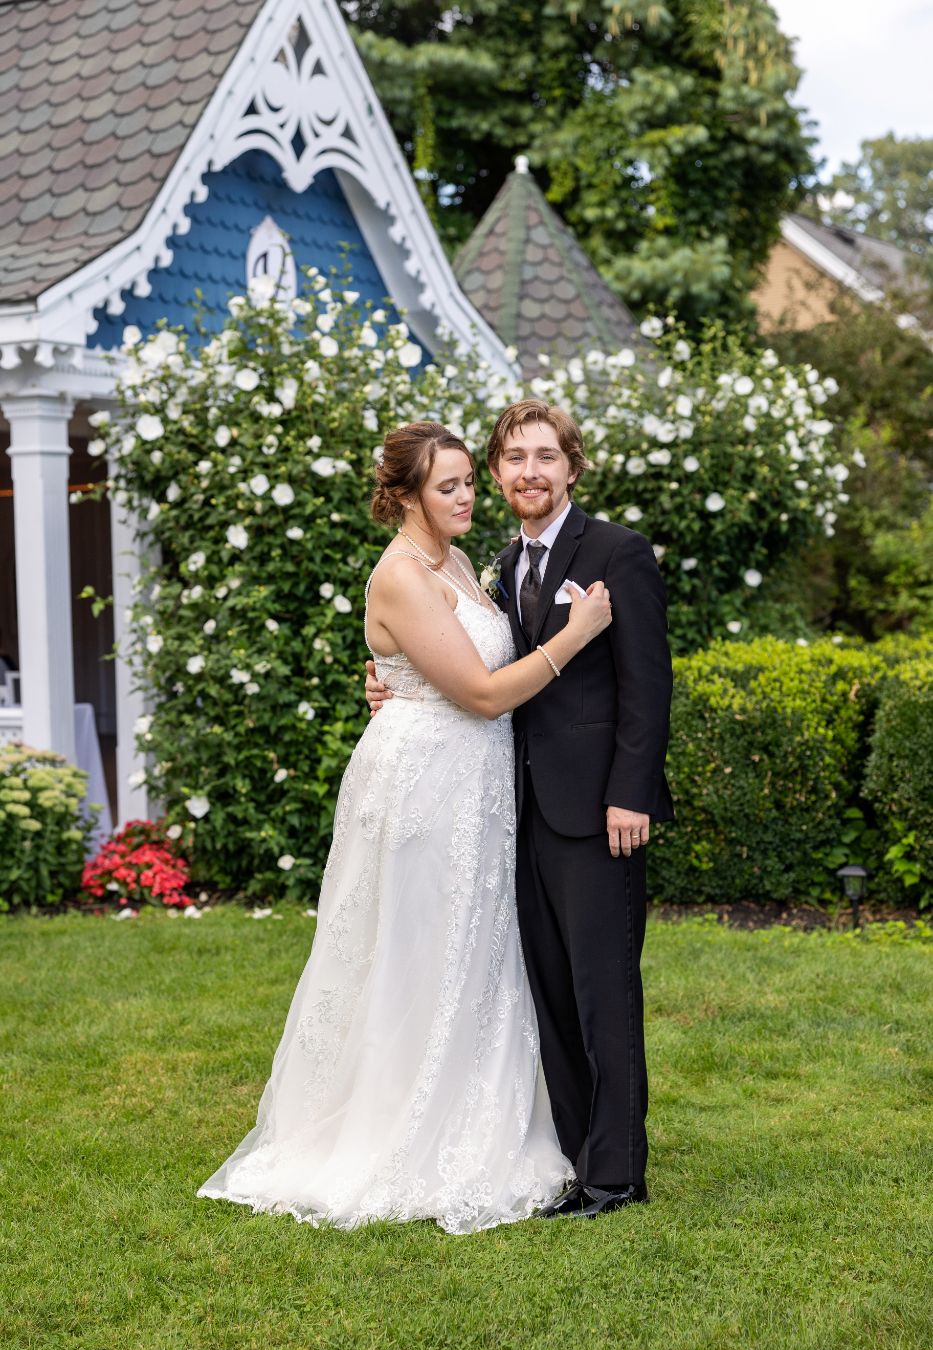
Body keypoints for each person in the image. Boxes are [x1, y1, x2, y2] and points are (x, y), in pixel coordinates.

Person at [198, 420, 612, 1234]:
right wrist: (577, 634)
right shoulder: (400, 574)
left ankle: (481, 1110)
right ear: (406, 494)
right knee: (419, 950)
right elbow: (484, 694)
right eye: (448, 486)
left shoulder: (456, 559)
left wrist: (390, 677)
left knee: (475, 950)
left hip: (475, 781)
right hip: (427, 786)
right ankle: (401, 1127)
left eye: (467, 481)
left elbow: (459, 663)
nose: (468, 496)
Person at [367, 401, 673, 1219]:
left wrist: (628, 796)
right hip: (513, 809)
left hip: (596, 812)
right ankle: (573, 1156)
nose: (526, 472)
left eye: (545, 456)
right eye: (512, 459)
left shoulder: (616, 552)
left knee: (603, 994)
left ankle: (615, 1175)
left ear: (572, 466)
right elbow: (468, 669)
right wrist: (393, 687)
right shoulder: (497, 562)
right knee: (546, 994)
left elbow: (648, 687)